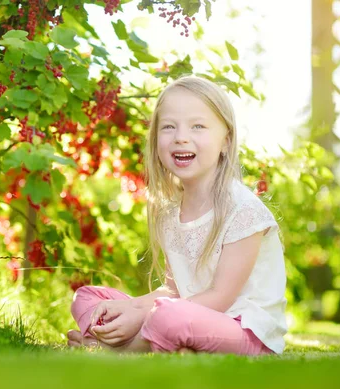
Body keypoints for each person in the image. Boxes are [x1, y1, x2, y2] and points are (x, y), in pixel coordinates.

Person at [67, 75, 287, 355]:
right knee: (88, 297)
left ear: (225, 141)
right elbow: (173, 292)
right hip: (185, 315)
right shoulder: (172, 214)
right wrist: (131, 308)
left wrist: (142, 315)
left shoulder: (243, 211)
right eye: (169, 127)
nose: (181, 136)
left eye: (198, 126)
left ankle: (117, 349)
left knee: (169, 317)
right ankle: (118, 336)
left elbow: (219, 299)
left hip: (244, 331)